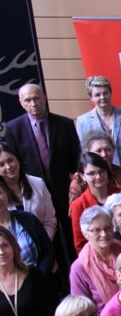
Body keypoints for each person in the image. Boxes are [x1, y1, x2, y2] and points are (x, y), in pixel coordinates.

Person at [5, 84, 80, 229]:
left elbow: (76, 157)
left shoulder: (65, 124)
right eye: (27, 100)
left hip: (65, 190)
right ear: (21, 103)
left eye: (36, 98)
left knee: (71, 232)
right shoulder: (14, 128)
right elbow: (15, 162)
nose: (33, 104)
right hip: (34, 193)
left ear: (44, 98)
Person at [0, 224, 54, 316]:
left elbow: (47, 311)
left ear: (13, 247)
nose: (1, 252)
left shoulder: (33, 274)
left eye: (5, 245)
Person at [75, 74, 121, 166]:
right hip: (99, 175)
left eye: (105, 93)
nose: (102, 97)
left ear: (111, 93)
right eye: (97, 95)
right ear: (91, 98)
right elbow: (83, 154)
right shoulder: (83, 121)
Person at [70, 206, 121, 313]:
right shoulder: (79, 268)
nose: (104, 234)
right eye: (96, 230)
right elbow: (82, 309)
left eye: (108, 228)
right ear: (85, 234)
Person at [69, 152, 121, 252]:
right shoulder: (78, 205)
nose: (98, 176)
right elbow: (80, 244)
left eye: (101, 171)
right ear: (82, 176)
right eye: (92, 173)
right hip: (100, 256)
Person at [0, 141, 58, 240]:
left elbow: (50, 221)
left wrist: (42, 245)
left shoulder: (38, 183)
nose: (8, 167)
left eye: (10, 160)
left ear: (17, 160)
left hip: (45, 244)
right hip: (12, 252)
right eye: (1, 165)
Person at [69, 130, 121, 207]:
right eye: (99, 151)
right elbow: (75, 209)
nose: (104, 154)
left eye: (108, 150)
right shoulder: (79, 179)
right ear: (88, 153)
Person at [0, 185, 53, 275]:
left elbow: (47, 250)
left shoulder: (28, 218)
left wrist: (38, 278)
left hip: (41, 280)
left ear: (6, 194)